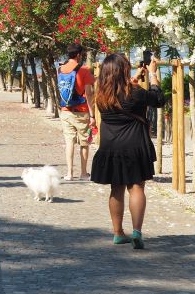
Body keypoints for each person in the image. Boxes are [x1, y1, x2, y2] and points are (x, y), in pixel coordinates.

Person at [91, 53, 164, 249]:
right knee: (136, 187)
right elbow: (158, 99)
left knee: (116, 188)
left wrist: (135, 79)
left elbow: (121, 96)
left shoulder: (101, 94)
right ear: (123, 70)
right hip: (134, 145)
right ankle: (137, 232)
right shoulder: (136, 93)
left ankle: (117, 233)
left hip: (110, 147)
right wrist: (153, 74)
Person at [58, 43, 96, 181]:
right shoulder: (84, 70)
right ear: (79, 55)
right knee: (84, 143)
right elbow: (89, 94)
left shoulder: (60, 69)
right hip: (81, 111)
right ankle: (84, 173)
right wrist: (92, 115)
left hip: (65, 111)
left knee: (69, 142)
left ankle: (69, 173)